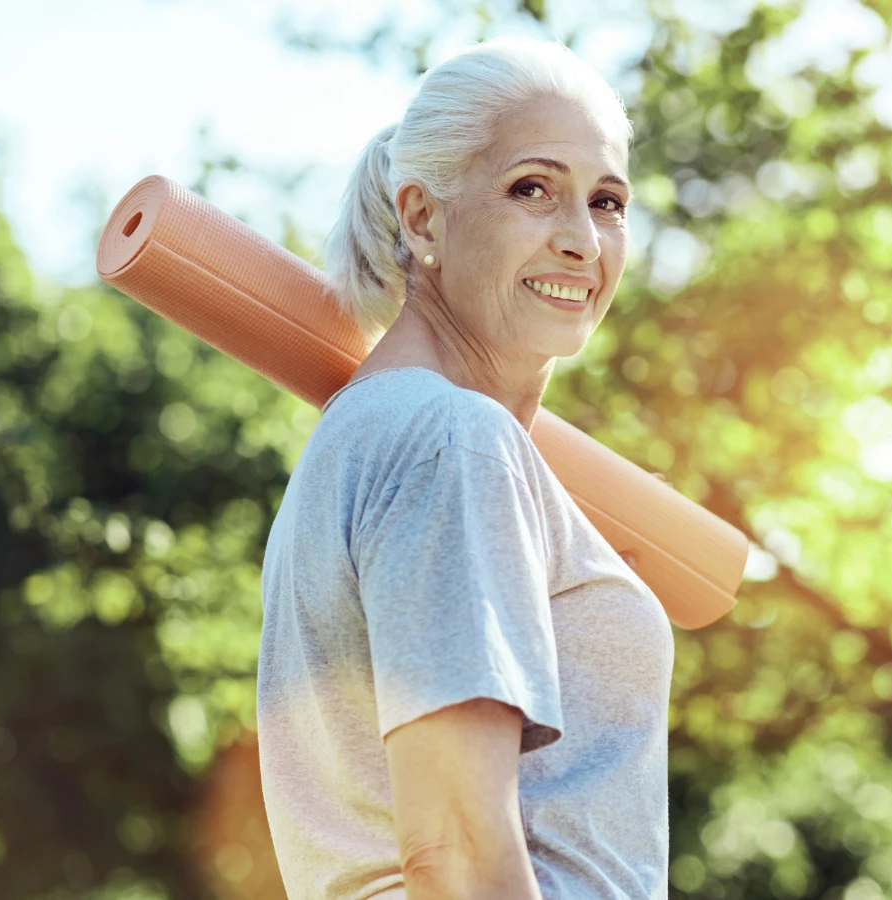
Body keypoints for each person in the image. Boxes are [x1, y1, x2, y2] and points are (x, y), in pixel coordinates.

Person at [256, 36, 672, 900]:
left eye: (607, 202)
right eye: (533, 189)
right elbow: (454, 850)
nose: (582, 240)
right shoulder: (450, 439)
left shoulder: (379, 433)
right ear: (421, 217)